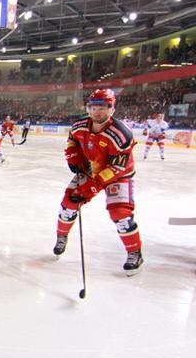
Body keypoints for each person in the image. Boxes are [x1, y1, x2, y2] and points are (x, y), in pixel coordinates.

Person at [53, 89, 143, 276]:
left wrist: (93, 187)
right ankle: (61, 237)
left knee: (121, 214)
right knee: (69, 203)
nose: (97, 112)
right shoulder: (80, 126)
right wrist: (72, 155)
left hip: (119, 175)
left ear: (111, 109)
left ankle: (135, 252)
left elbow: (117, 167)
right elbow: (73, 139)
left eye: (102, 108)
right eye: (93, 108)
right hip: (91, 169)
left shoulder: (121, 134)